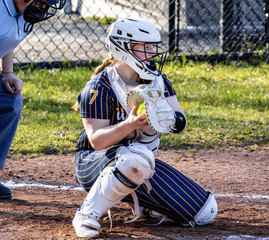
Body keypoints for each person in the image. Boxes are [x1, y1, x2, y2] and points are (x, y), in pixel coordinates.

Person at [72, 15, 218, 238]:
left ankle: (141, 200)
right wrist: (129, 124)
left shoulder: (157, 79)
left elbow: (181, 122)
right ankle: (86, 214)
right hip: (93, 162)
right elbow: (97, 141)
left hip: (141, 163)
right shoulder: (99, 86)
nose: (151, 53)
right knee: (135, 159)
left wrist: (170, 118)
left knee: (204, 212)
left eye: (153, 47)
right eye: (145, 47)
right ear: (122, 48)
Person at [0, 0, 66, 199]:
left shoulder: (24, 14)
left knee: (10, 102)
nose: (44, 8)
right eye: (41, 2)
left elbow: (7, 39)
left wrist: (7, 73)